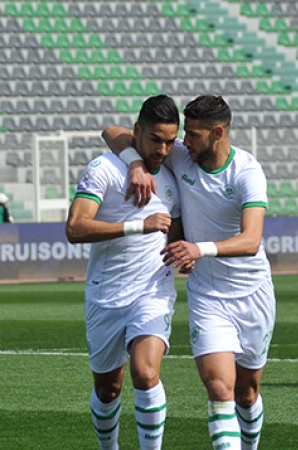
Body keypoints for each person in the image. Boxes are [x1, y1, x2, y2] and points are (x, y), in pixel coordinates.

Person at [103, 95, 275, 450]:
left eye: (193, 134)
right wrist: (134, 162)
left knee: (246, 392)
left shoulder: (246, 171)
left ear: (217, 133)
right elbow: (111, 131)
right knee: (218, 387)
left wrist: (201, 248)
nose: (182, 143)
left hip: (252, 292)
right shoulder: (183, 156)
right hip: (208, 294)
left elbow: (251, 240)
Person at [66, 95, 187, 450]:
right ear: (137, 132)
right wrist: (137, 226)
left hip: (152, 292)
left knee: (146, 374)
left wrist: (185, 252)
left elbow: (175, 233)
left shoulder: (174, 172)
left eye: (170, 140)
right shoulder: (104, 169)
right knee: (108, 389)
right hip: (105, 292)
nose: (164, 149)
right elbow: (75, 228)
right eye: (155, 140)